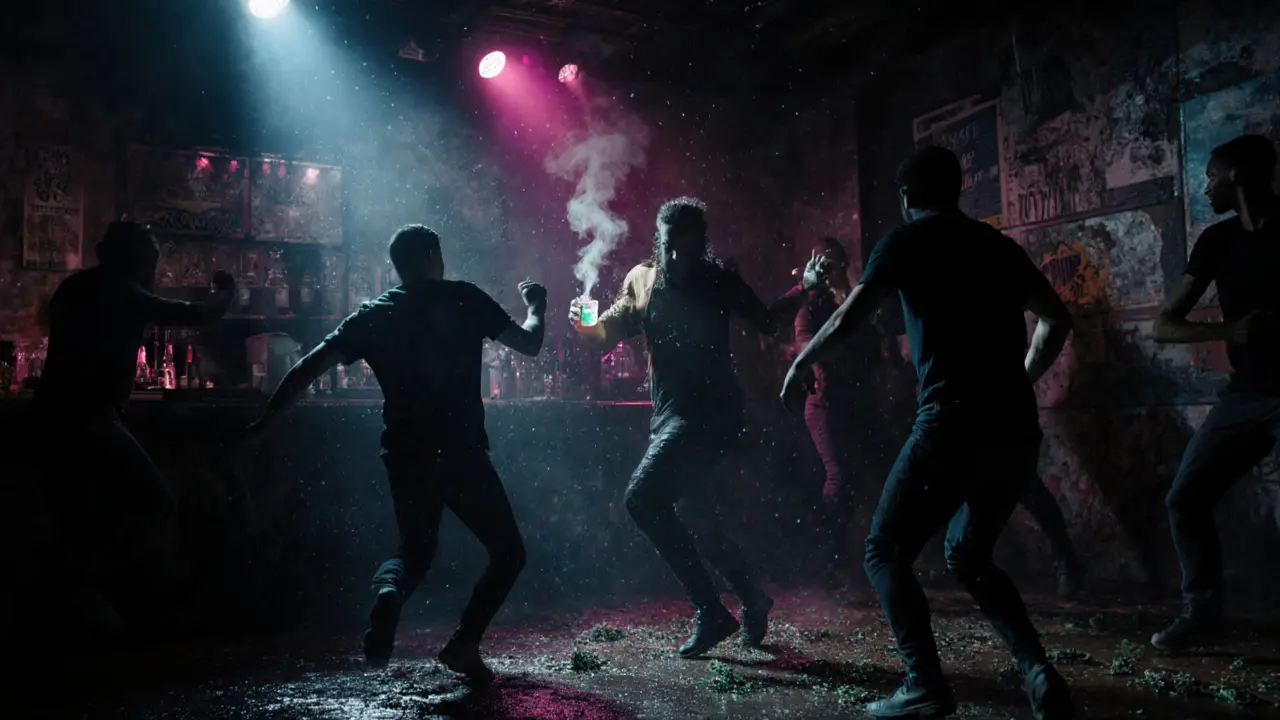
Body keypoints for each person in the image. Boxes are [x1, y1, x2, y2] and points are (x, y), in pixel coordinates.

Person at [782, 147, 1075, 718]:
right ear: (956, 190)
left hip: (951, 420)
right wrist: (1017, 381)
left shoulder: (905, 243)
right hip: (1014, 425)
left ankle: (924, 685)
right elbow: (1056, 321)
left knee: (883, 549)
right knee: (969, 553)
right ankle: (1037, 672)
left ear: (907, 197)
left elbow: (849, 318)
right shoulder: (998, 246)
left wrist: (799, 364)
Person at [244, 225, 546, 682]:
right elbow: (530, 343)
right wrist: (536, 307)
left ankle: (389, 588)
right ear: (430, 255)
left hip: (406, 452)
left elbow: (309, 365)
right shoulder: (464, 297)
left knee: (415, 551)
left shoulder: (375, 312)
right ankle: (464, 644)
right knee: (508, 552)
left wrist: (267, 421)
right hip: (462, 450)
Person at [569, 197, 824, 657]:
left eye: (684, 250)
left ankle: (710, 610)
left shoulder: (718, 281)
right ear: (659, 241)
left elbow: (767, 321)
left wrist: (803, 288)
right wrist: (584, 323)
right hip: (668, 415)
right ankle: (752, 597)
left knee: (642, 498)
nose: (674, 258)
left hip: (712, 416)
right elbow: (608, 330)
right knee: (698, 517)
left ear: (700, 246)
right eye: (668, 247)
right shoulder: (642, 278)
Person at [34, 220, 235, 635]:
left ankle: (82, 599)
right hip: (88, 418)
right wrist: (226, 292)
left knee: (82, 513)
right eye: (150, 260)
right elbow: (198, 314)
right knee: (154, 502)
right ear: (132, 259)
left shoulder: (75, 288)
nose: (153, 270)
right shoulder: (120, 291)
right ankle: (97, 595)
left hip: (56, 416)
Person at [1150, 134, 1280, 652]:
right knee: (1185, 496)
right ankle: (1203, 612)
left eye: (1212, 176)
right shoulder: (1217, 241)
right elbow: (1164, 325)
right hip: (1245, 394)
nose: (1205, 187)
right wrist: (1231, 333)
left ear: (1239, 177)